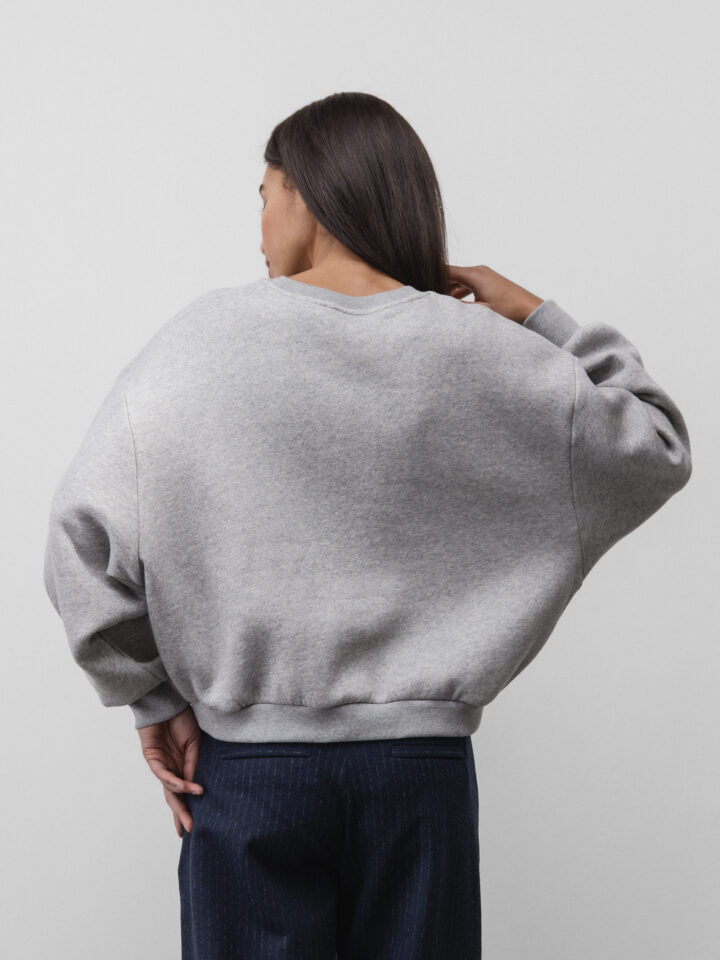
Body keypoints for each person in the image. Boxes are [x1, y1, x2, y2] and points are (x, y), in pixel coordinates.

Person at [42, 92, 692, 960]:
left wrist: (152, 696)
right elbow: (655, 443)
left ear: (306, 193)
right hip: (418, 779)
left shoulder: (196, 346)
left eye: (264, 194)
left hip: (249, 775)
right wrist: (534, 312)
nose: (260, 226)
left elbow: (80, 537)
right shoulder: (481, 352)